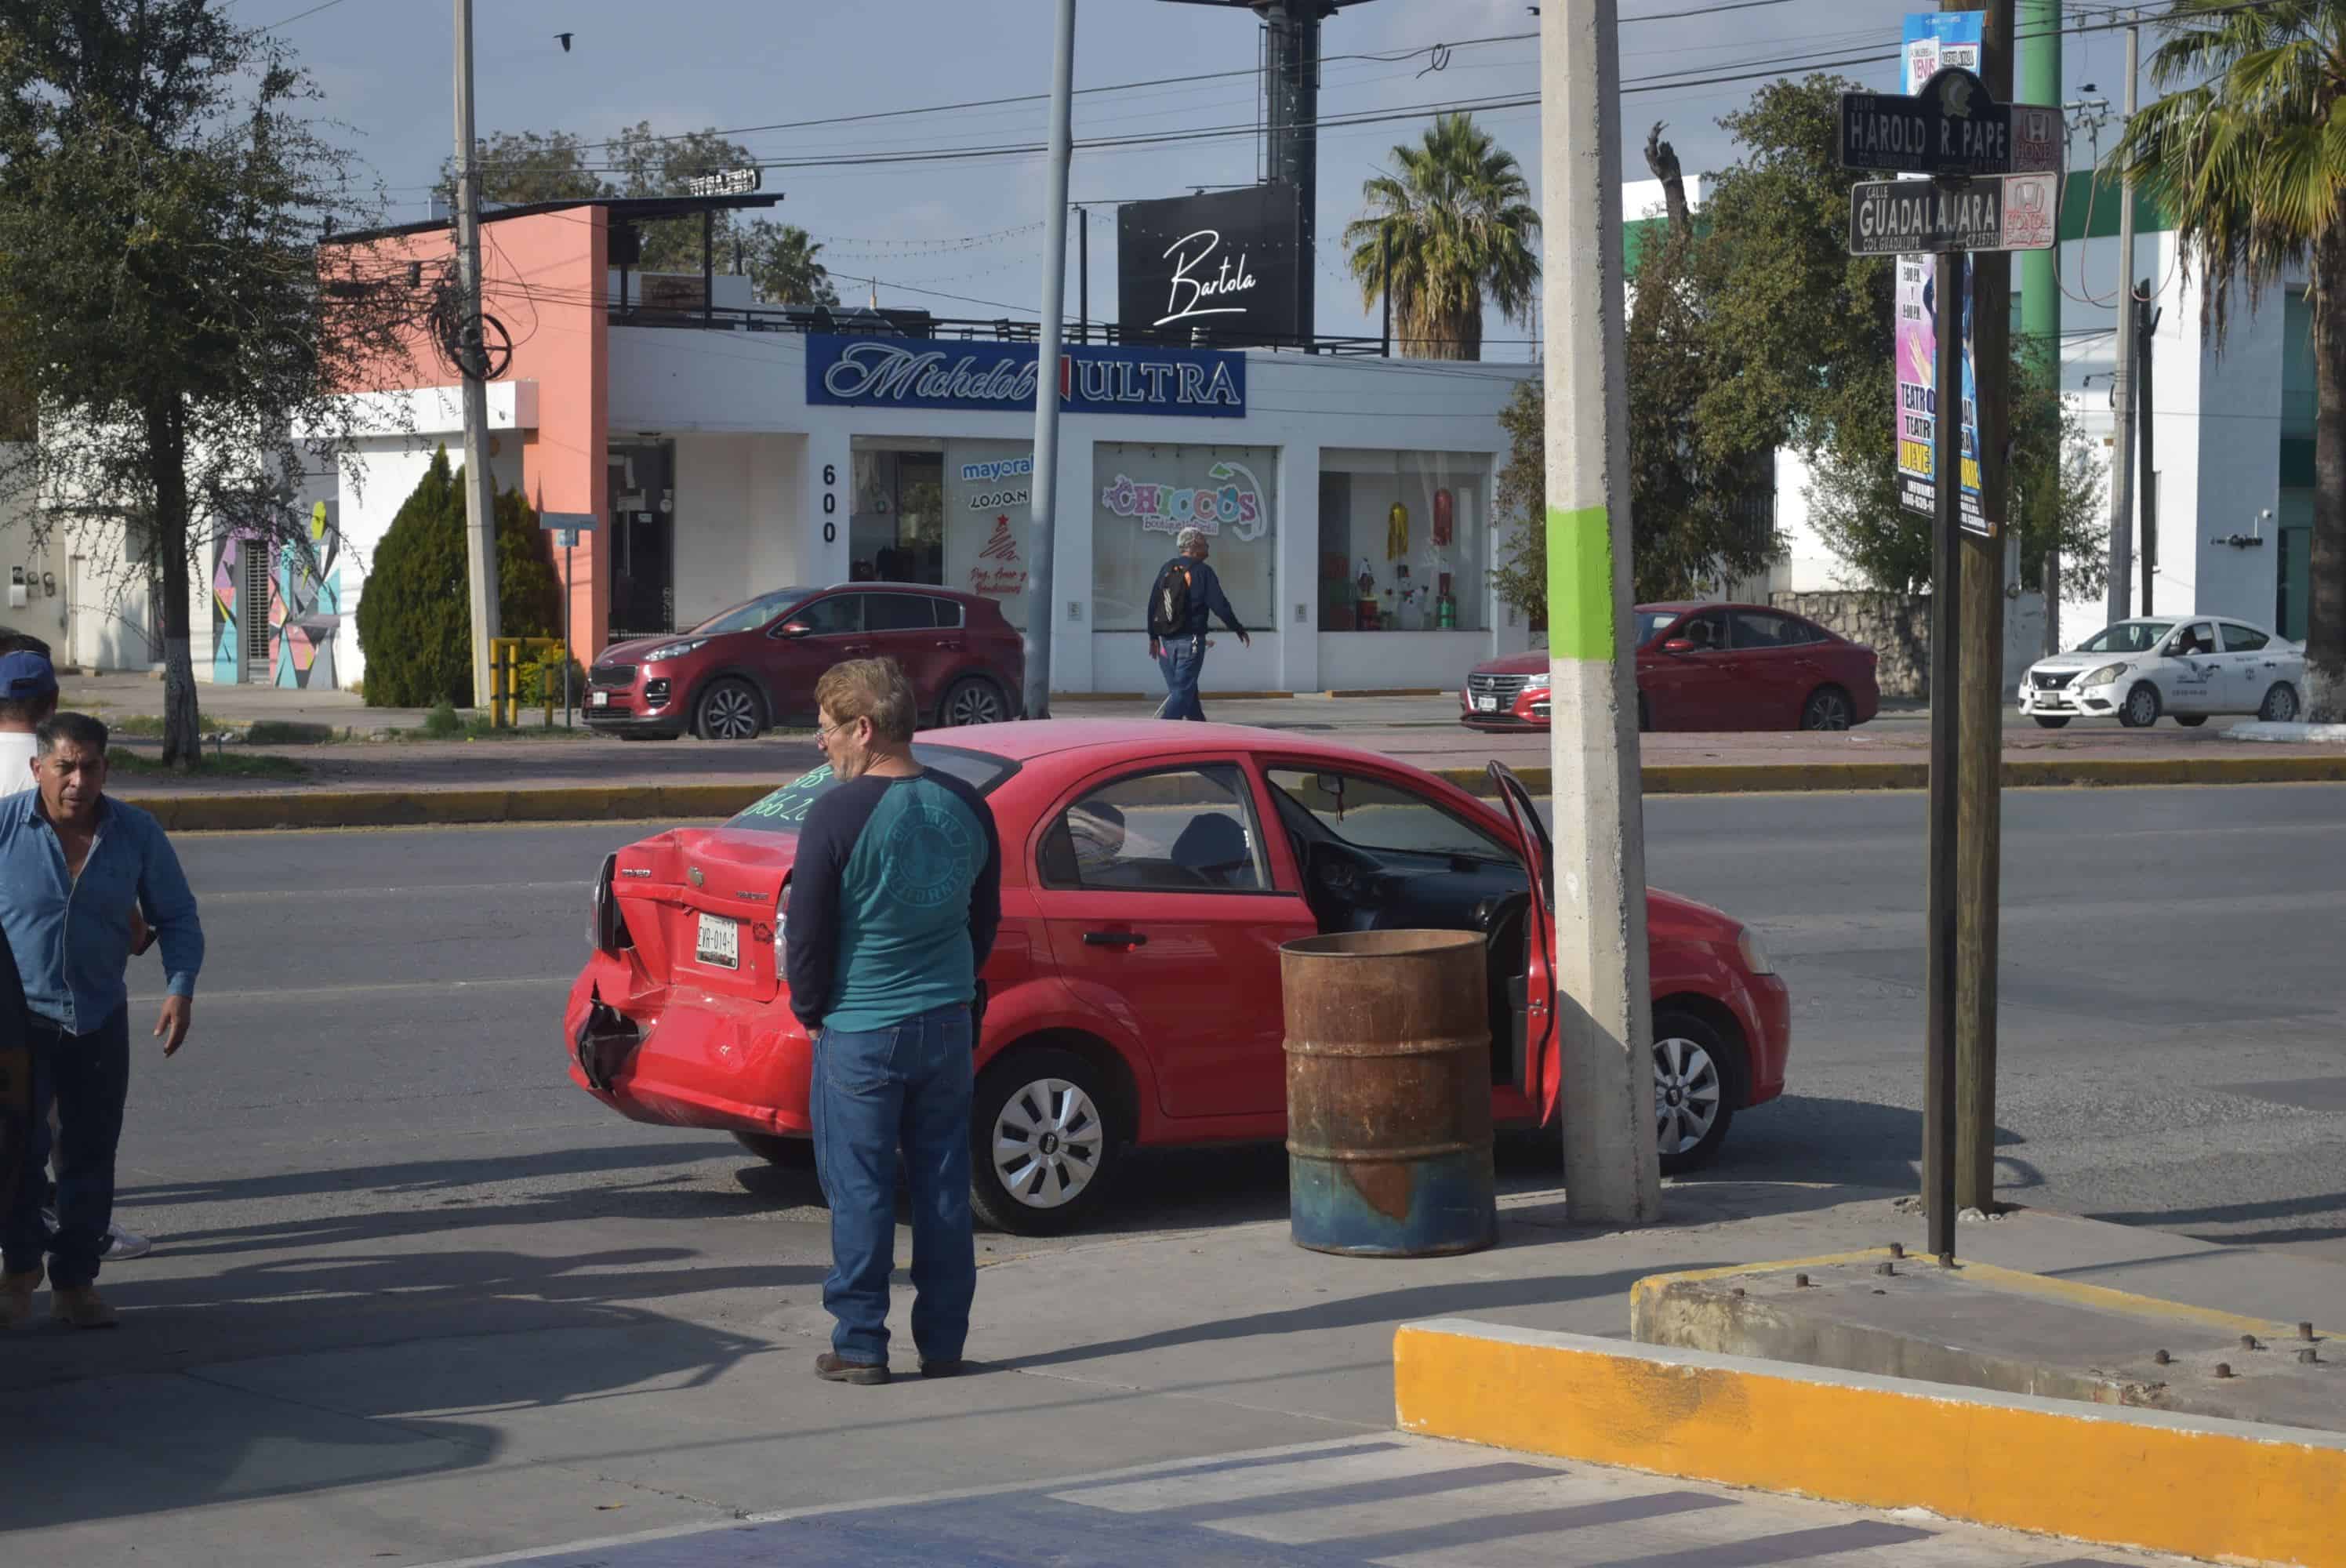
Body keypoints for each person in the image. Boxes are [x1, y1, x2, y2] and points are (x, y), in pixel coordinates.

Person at [783, 659, 1001, 1385]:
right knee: (942, 1187)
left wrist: (810, 1012)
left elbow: (808, 938)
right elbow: (984, 920)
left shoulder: (836, 816)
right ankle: (943, 1346)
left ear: (865, 729)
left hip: (863, 1028)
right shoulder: (968, 806)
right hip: (945, 1022)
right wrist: (957, 990)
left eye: (827, 730)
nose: (822, 745)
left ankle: (860, 1345)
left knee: (863, 1188)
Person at [0, 713, 203, 1329]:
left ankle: (74, 1286)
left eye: (89, 766)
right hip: (17, 1025)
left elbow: (178, 916)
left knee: (89, 1155)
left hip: (97, 1018)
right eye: (64, 766)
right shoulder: (6, 826)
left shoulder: (135, 832)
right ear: (38, 769)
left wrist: (179, 988)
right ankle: (18, 1275)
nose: (77, 781)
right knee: (16, 1155)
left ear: (106, 770)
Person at [0, 645, 154, 1265]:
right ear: (52, 703)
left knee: (16, 1124)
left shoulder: (44, 765)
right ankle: (65, 1231)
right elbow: (90, 870)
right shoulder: (54, 770)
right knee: (66, 1126)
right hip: (51, 990)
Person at [1146, 527, 1250, 722]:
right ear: (1194, 545)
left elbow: (1153, 603)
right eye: (1205, 543)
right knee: (1182, 692)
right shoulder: (1203, 572)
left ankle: (1199, 726)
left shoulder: (1167, 568)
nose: (1208, 546)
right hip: (1191, 641)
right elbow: (1220, 605)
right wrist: (1238, 628)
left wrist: (1153, 636)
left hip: (1165, 644)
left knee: (1184, 690)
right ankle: (1163, 732)